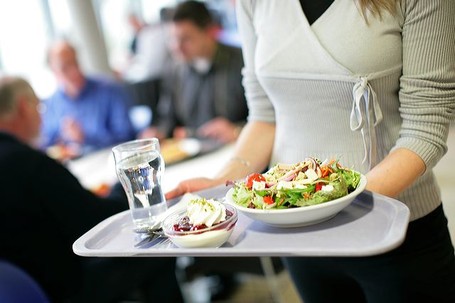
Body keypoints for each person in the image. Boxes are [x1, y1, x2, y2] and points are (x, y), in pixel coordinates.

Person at [166, 0, 455, 302]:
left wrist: (332, 201)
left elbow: (426, 127)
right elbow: (265, 117)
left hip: (395, 229)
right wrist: (222, 180)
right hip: (298, 235)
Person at [0, 76, 183, 302]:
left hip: (22, 286)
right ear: (23, 107)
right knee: (158, 249)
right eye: (38, 106)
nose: (41, 115)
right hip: (68, 286)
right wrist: (124, 189)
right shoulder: (26, 162)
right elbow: (94, 220)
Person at [139, 0, 248, 144]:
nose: (177, 47)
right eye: (172, 39)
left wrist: (237, 130)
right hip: (195, 153)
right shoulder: (175, 70)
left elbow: (266, 117)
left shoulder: (242, 62)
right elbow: (168, 118)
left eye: (185, 39)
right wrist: (158, 132)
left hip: (239, 147)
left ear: (210, 32)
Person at [41, 40, 135, 158]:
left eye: (74, 63)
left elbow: (126, 138)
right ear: (54, 71)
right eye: (64, 67)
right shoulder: (52, 104)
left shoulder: (110, 90)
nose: (73, 71)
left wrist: (85, 137)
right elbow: (46, 144)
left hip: (110, 162)